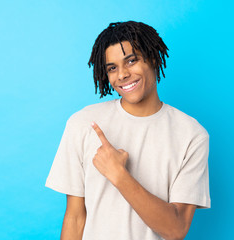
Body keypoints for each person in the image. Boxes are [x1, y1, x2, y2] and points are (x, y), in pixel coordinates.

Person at [45, 21, 211, 240]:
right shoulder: (84, 123)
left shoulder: (191, 135)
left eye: (131, 61)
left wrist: (119, 175)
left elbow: (176, 229)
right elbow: (75, 217)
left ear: (152, 58)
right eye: (112, 68)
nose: (122, 75)